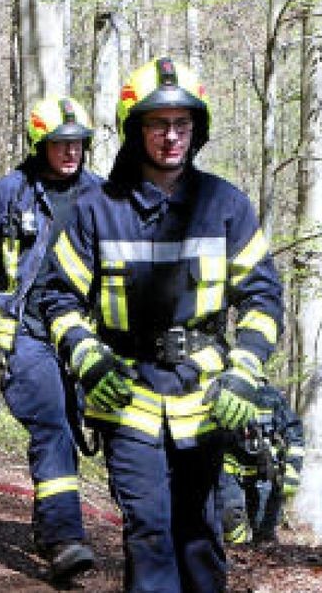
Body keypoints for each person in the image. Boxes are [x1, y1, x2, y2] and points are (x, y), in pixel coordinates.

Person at [39, 56, 284, 592]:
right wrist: (87, 355)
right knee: (148, 531)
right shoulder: (96, 209)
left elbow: (263, 297)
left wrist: (243, 371)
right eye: (157, 124)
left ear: (197, 129)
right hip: (126, 394)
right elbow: (57, 296)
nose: (171, 136)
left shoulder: (225, 205)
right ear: (136, 129)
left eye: (182, 124)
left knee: (200, 535)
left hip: (206, 398)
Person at [0, 95, 103, 582]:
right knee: (51, 423)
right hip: (28, 332)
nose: (71, 152)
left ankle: (50, 519)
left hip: (84, 333)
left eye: (78, 143)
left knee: (78, 425)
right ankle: (65, 540)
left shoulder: (103, 196)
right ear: (40, 145)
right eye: (60, 144)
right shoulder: (9, 193)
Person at [216, 384, 304, 546]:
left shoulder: (270, 397)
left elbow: (294, 432)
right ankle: (236, 556)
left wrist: (292, 469)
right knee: (231, 525)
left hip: (265, 476)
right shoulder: (223, 390)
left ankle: (262, 551)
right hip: (231, 475)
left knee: (263, 535)